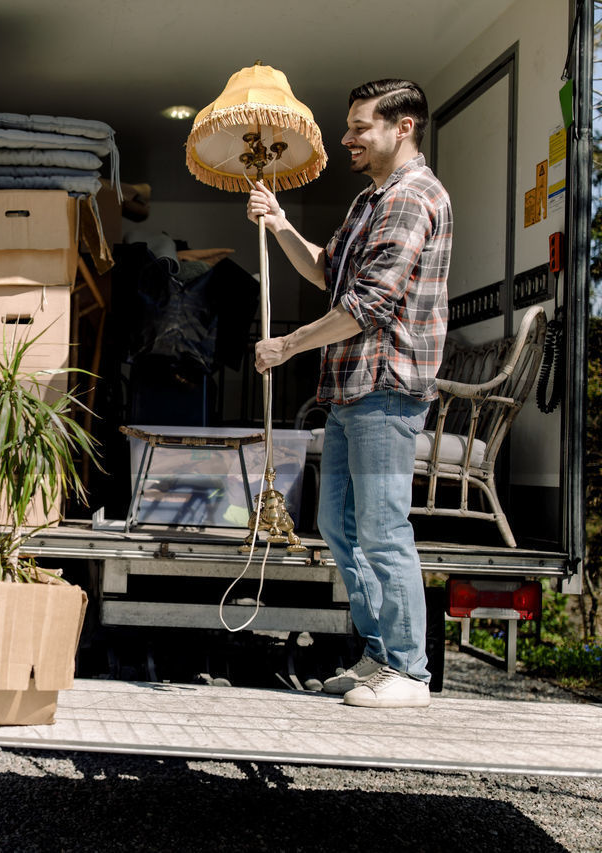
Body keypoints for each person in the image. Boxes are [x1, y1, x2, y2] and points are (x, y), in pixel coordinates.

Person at [247, 79, 451, 709]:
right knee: (339, 525)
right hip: (348, 389)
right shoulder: (370, 201)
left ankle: (409, 672)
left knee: (384, 527)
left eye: (361, 127)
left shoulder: (413, 198)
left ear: (403, 126)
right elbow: (326, 271)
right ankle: (378, 656)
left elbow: (368, 304)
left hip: (386, 388)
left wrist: (287, 344)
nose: (348, 139)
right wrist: (280, 225)